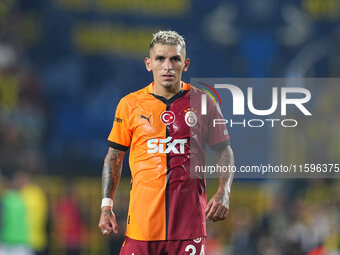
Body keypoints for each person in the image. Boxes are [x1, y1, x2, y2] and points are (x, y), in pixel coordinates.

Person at [98, 30, 235, 254]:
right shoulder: (130, 104)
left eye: (175, 59)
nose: (167, 66)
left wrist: (224, 191)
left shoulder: (204, 102)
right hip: (141, 229)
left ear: (186, 63)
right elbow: (114, 156)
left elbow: (224, 150)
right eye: (160, 58)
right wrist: (106, 206)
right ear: (148, 63)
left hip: (188, 230)